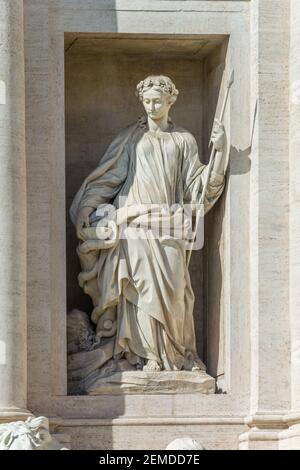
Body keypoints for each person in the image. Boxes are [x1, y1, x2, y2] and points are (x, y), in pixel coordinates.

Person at [70, 75, 227, 373]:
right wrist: (87, 207)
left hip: (169, 225)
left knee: (175, 291)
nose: (152, 106)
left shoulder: (184, 140)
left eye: (157, 100)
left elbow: (198, 187)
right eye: (147, 101)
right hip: (134, 225)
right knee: (140, 290)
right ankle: (146, 356)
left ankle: (177, 354)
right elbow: (109, 177)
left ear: (171, 101)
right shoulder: (131, 137)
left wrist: (219, 154)